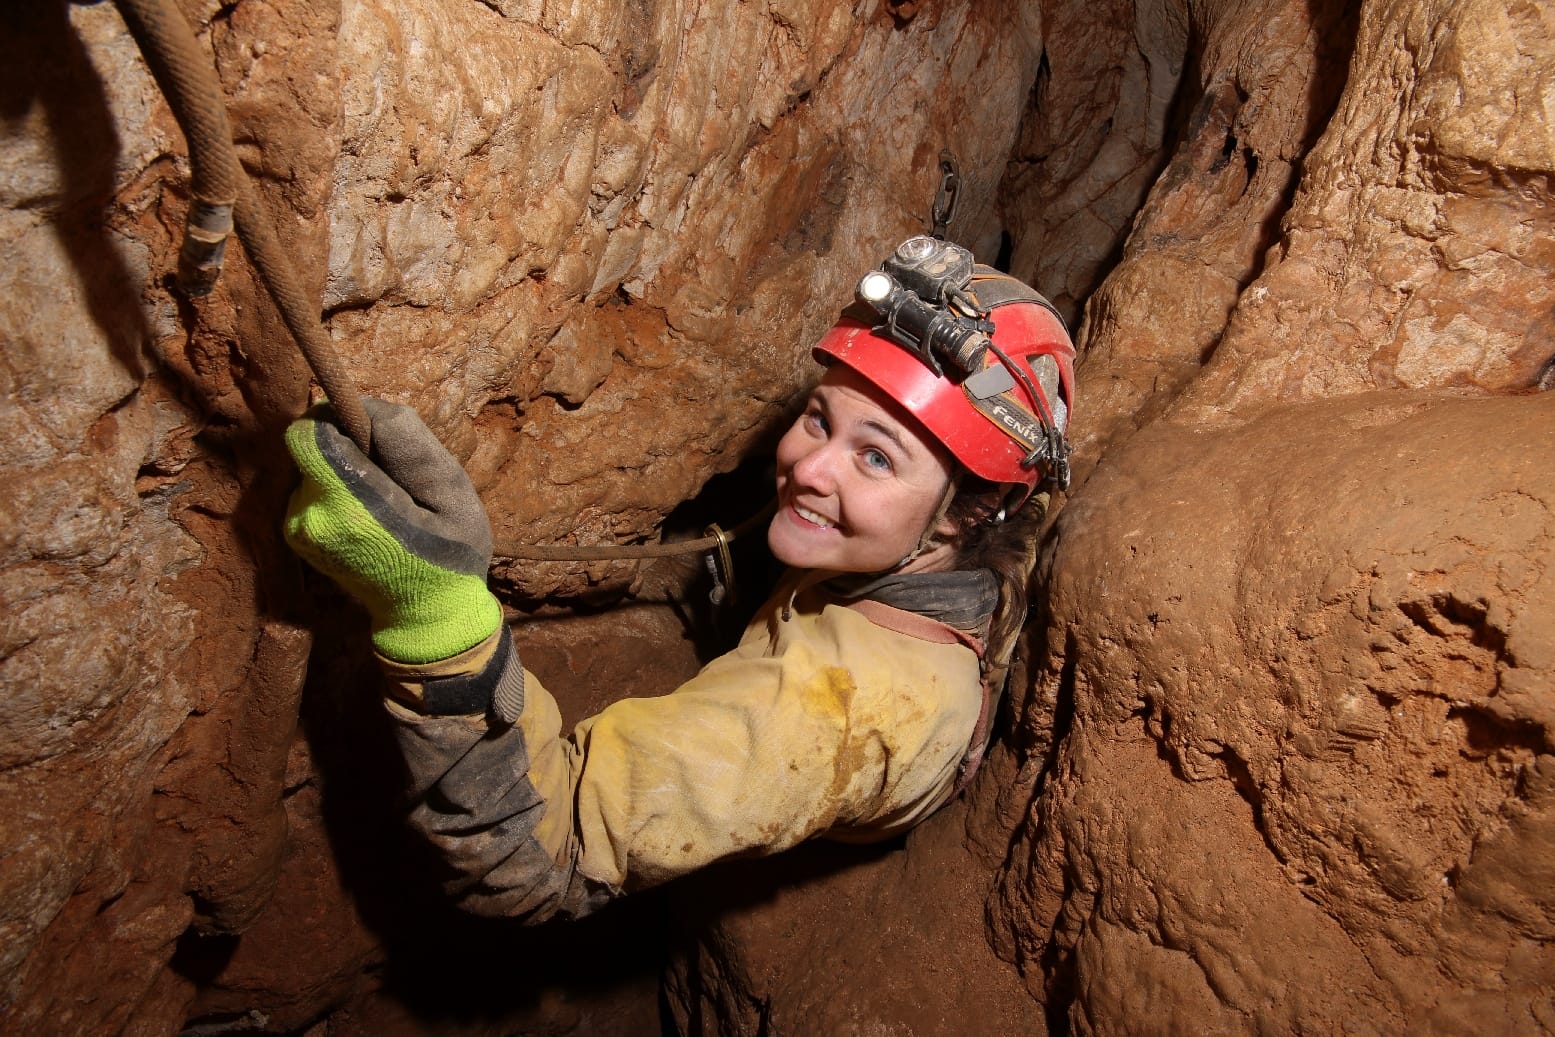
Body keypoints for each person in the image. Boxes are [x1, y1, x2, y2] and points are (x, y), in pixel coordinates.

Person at [283, 236, 1075, 922]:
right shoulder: (966, 532)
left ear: (965, 515)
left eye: (875, 457)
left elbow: (531, 860)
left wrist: (432, 614)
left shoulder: (823, 712)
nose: (807, 469)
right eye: (818, 418)